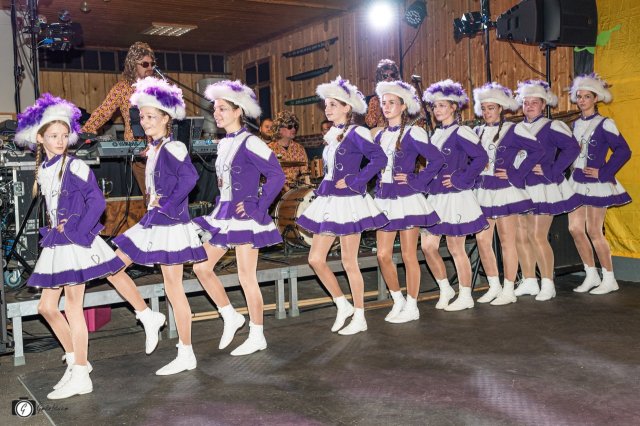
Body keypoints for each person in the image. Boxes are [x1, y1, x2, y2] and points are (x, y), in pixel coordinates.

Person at [15, 94, 126, 399]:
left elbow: (97, 202)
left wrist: (77, 231)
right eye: (54, 136)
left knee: (73, 307)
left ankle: (80, 373)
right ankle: (77, 362)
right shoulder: (45, 169)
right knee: (46, 307)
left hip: (74, 243)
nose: (61, 141)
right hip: (58, 242)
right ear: (40, 138)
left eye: (64, 135)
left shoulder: (74, 165)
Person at [112, 77, 207, 375]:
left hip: (170, 224)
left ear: (167, 118)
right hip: (153, 221)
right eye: (142, 116)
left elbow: (190, 178)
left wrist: (166, 204)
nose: (145, 121)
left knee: (173, 288)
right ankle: (147, 315)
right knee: (112, 268)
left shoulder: (174, 146)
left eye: (151, 116)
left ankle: (186, 352)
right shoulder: (154, 149)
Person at [193, 80, 285, 356]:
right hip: (224, 215)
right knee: (201, 267)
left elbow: (277, 175)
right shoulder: (224, 143)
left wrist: (258, 206)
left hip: (244, 218)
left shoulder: (251, 141)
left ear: (238, 111)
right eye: (215, 109)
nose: (216, 113)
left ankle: (257, 334)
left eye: (222, 108)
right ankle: (230, 315)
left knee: (246, 276)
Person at [297, 76, 387, 335]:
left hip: (349, 202)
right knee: (315, 259)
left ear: (347, 107)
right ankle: (342, 304)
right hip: (330, 200)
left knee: (349, 261)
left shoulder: (357, 132)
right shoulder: (333, 134)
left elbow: (379, 159)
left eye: (333, 105)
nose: (327, 109)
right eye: (326, 105)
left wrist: (355, 180)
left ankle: (360, 315)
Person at [373, 80, 444, 323]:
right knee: (383, 254)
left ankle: (412, 306)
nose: (386, 107)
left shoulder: (414, 132)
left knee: (408, 254)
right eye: (384, 103)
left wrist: (416, 180)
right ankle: (398, 300)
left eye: (392, 102)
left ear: (403, 106)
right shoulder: (380, 135)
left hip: (406, 198)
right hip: (384, 199)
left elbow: (436, 160)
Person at [471, 83, 544, 305]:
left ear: (501, 108)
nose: (487, 112)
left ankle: (509, 288)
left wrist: (515, 173)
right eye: (484, 108)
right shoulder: (477, 131)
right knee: (482, 239)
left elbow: (537, 150)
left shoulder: (513, 129)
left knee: (506, 240)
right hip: (483, 191)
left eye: (491, 108)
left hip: (505, 190)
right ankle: (494, 286)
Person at [420, 79, 489, 311]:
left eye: (442, 105)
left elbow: (481, 157)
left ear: (453, 107)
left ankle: (466, 295)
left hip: (455, 196)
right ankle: (445, 288)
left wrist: (461, 178)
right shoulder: (435, 135)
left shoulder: (461, 132)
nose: (437, 110)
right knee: (428, 246)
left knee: (455, 247)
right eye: (435, 106)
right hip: (436, 196)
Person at [513, 80, 581, 301]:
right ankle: (529, 280)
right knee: (520, 235)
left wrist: (552, 169)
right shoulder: (516, 128)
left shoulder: (552, 126)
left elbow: (572, 148)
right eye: (526, 102)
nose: (529, 106)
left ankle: (548, 283)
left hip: (542, 186)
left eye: (535, 102)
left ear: (544, 105)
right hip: (520, 187)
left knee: (537, 235)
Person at [567, 73, 632, 294]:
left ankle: (609, 277)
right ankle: (591, 274)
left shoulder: (605, 123)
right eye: (579, 96)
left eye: (587, 96)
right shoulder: (574, 125)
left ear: (596, 98)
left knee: (594, 230)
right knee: (575, 228)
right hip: (576, 182)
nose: (582, 100)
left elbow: (624, 151)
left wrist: (603, 172)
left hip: (596, 183)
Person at [82, 41, 155, 193]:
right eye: (145, 64)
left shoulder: (158, 87)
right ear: (133, 65)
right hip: (138, 151)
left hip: (161, 148)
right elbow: (104, 111)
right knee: (150, 195)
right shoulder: (122, 88)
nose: (150, 68)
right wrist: (85, 132)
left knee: (167, 194)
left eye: (152, 64)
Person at [268, 111, 310, 192]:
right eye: (290, 126)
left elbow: (305, 173)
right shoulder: (269, 149)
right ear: (279, 129)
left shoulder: (299, 148)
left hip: (295, 190)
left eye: (295, 126)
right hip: (275, 190)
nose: (294, 129)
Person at [365, 59, 401, 130]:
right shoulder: (375, 100)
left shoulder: (403, 97)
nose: (389, 78)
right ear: (380, 79)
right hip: (382, 134)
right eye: (385, 76)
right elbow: (370, 123)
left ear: (396, 78)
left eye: (392, 75)